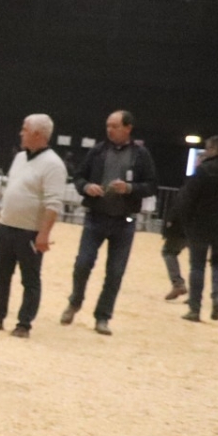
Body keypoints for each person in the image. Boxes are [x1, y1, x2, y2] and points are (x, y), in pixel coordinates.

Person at [61, 110, 158, 335]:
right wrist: (86, 187)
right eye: (107, 126)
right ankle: (75, 301)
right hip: (95, 218)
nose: (109, 130)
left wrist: (131, 188)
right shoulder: (98, 151)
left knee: (115, 272)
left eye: (114, 126)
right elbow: (79, 177)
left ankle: (103, 317)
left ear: (128, 128)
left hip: (124, 223)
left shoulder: (141, 154)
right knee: (82, 264)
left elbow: (152, 185)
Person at [0, 114, 69, 339]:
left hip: (30, 231)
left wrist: (44, 234)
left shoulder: (53, 165)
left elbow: (53, 203)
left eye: (25, 129)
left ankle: (24, 323)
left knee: (30, 279)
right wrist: (0, 219)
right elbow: (10, 190)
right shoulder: (19, 157)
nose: (21, 133)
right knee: (1, 275)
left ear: (38, 134)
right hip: (6, 227)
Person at [173, 135, 218, 323]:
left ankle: (195, 309)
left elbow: (187, 198)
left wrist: (186, 222)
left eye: (208, 148)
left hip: (200, 225)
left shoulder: (204, 170)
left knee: (198, 266)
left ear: (215, 149)